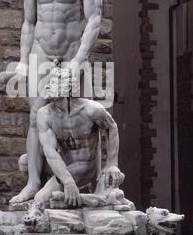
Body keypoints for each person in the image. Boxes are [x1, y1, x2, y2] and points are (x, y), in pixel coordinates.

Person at [0, 0, 103, 204]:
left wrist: (79, 60)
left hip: (72, 55)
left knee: (85, 117)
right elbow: (28, 24)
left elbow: (94, 20)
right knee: (36, 117)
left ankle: (90, 182)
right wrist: (22, 61)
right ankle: (34, 182)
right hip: (41, 56)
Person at [34, 67, 125, 207]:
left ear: (65, 87)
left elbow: (112, 128)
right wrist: (68, 182)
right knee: (25, 162)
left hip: (84, 166)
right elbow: (50, 152)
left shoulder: (92, 110)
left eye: (52, 83)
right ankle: (67, 192)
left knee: (41, 198)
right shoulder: (44, 114)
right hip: (62, 163)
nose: (47, 86)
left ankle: (61, 194)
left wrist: (112, 164)